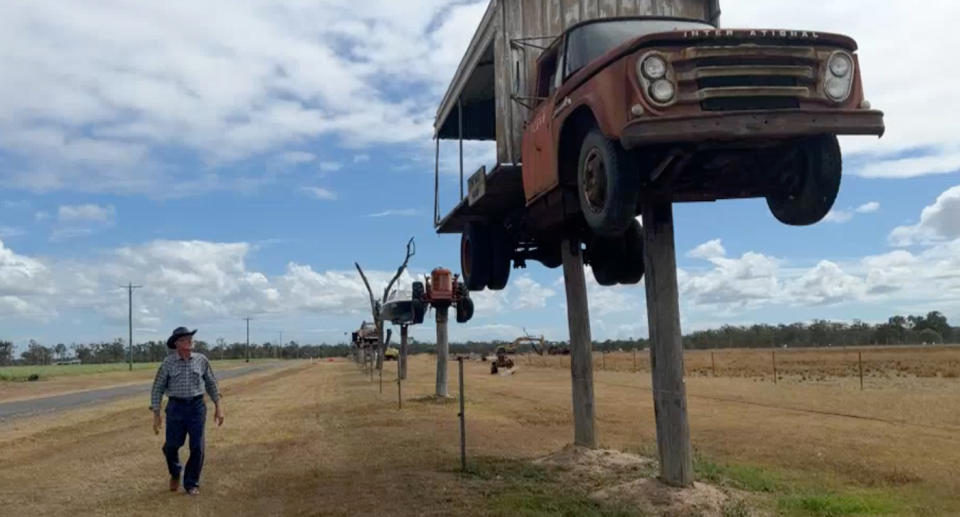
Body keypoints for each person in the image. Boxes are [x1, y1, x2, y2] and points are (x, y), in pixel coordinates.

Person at [149, 327, 225, 495]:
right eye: (185, 339)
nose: (190, 341)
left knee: (197, 446)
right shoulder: (168, 363)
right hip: (176, 407)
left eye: (191, 338)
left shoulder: (201, 360)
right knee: (171, 446)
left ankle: (191, 483)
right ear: (177, 344)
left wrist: (218, 407)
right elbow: (157, 389)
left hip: (196, 407)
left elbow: (211, 384)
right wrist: (156, 414)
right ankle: (175, 472)